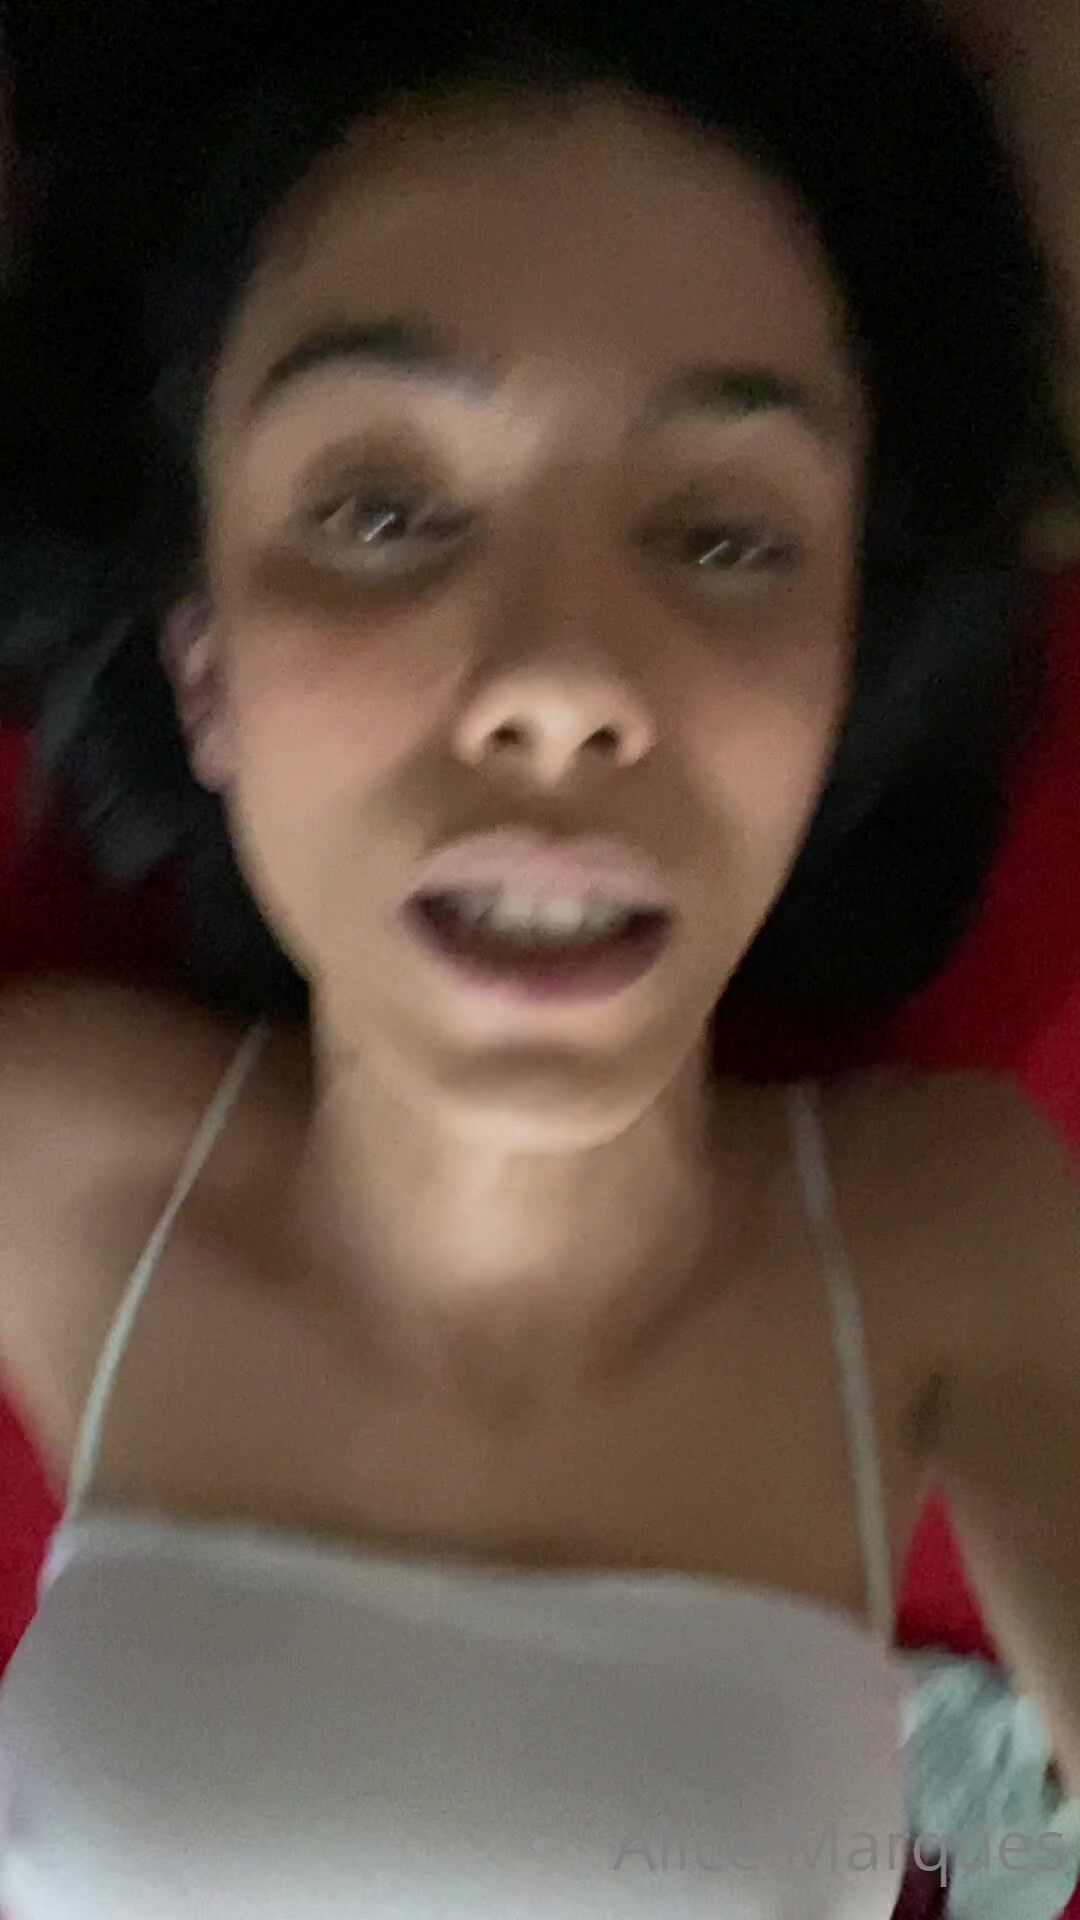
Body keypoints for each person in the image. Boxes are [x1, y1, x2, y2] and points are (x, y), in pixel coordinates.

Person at [0, 4, 1079, 1915]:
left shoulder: (940, 1233)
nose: (564, 684)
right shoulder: (54, 1156)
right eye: (382, 513)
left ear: (843, 674)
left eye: (724, 536)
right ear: (202, 665)